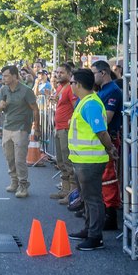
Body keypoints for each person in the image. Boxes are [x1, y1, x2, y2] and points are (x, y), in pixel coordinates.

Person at [64, 69, 118, 251]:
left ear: (78, 84)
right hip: (83, 159)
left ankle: (95, 237)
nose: (70, 86)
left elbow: (101, 131)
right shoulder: (85, 102)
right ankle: (89, 230)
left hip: (90, 160)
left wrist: (110, 148)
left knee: (93, 199)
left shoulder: (91, 104)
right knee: (87, 198)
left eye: (71, 82)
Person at [0, 65, 38, 198]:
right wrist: (1, 107)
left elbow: (35, 109)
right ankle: (14, 181)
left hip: (21, 128)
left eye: (6, 75)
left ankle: (23, 185)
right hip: (7, 127)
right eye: (2, 76)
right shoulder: (4, 89)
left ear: (15, 76)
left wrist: (37, 127)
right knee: (9, 158)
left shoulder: (26, 90)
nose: (3, 78)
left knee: (20, 160)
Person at [91, 60, 123, 230]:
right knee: (102, 176)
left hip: (108, 137)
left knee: (108, 177)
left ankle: (110, 214)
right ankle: (104, 210)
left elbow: (106, 119)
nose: (92, 77)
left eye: (93, 73)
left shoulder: (113, 91)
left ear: (103, 73)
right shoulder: (103, 90)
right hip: (102, 138)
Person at [51, 64, 77, 202]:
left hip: (66, 129)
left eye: (61, 72)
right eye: (57, 72)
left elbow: (75, 108)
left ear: (69, 74)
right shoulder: (60, 87)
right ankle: (65, 190)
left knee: (68, 161)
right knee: (60, 161)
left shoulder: (70, 88)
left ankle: (72, 194)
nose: (58, 75)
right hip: (59, 128)